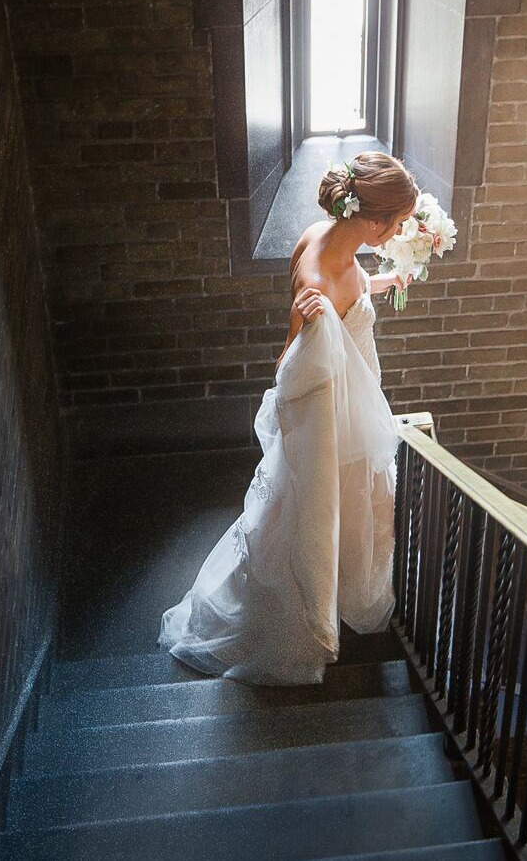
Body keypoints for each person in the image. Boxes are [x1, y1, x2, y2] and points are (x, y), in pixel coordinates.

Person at [158, 151, 420, 686]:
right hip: (335, 411)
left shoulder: (324, 236)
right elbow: (298, 354)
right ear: (372, 221)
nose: (397, 232)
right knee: (317, 504)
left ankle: (336, 584)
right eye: (395, 224)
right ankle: (310, 612)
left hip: (350, 390)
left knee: (335, 503)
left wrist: (382, 282)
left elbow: (346, 293)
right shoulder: (322, 280)